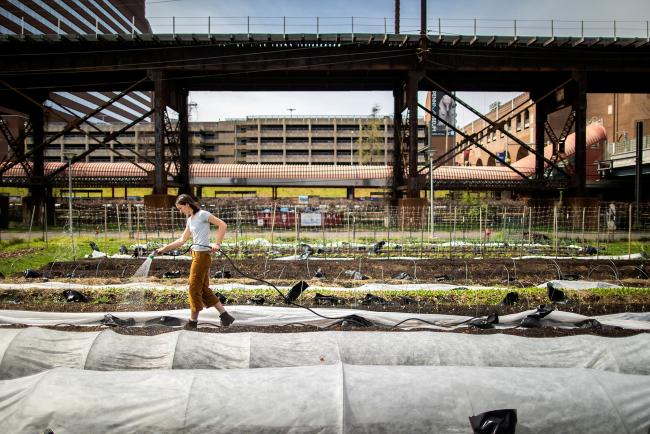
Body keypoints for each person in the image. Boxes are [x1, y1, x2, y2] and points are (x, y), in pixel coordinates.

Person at [154, 194, 235, 329]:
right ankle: (225, 316)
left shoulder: (203, 214)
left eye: (180, 208)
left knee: (193, 287)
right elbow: (181, 240)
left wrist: (217, 244)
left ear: (187, 204)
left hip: (203, 255)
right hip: (196, 255)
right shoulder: (190, 219)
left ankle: (193, 321)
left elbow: (222, 225)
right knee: (202, 288)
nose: (180, 211)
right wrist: (163, 249)